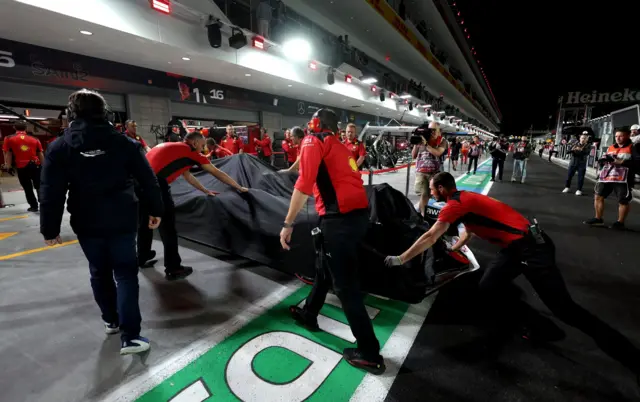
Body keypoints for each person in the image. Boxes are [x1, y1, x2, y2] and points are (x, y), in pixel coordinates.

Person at [385, 172, 640, 378]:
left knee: (565, 309)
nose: (430, 194)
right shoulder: (466, 198)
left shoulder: (454, 205)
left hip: (531, 249)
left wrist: (400, 259)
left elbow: (430, 236)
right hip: (516, 247)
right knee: (488, 285)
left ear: (441, 188)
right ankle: (525, 323)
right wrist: (452, 249)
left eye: (432, 189)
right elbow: (469, 232)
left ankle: (629, 357)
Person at [39, 89, 164, 355]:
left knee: (99, 270)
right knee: (126, 274)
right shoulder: (124, 143)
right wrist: (156, 208)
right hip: (122, 217)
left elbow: (51, 191)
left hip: (86, 220)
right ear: (103, 111)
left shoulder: (59, 147)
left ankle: (111, 320)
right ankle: (131, 336)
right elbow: (147, 179)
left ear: (71, 113)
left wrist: (49, 228)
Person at [280, 109, 385, 375]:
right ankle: (309, 313)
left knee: (345, 286)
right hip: (358, 217)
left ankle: (369, 352)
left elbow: (304, 183)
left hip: (338, 221)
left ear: (315, 124)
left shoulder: (314, 141)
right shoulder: (340, 146)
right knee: (323, 266)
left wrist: (288, 223)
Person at [139, 131, 249, 280]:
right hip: (156, 185)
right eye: (202, 145)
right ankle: (173, 268)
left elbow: (187, 175)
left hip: (138, 184)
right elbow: (216, 172)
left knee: (145, 223)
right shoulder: (190, 152)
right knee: (168, 228)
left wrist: (205, 190)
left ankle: (142, 256)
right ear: (195, 143)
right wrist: (238, 187)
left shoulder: (173, 148)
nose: (203, 149)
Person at [584, 127, 640, 230]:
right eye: (616, 136)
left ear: (627, 136)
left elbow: (638, 163)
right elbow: (602, 159)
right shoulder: (611, 147)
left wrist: (622, 162)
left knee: (623, 200)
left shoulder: (634, 148)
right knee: (598, 196)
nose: (618, 138)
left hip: (623, 179)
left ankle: (620, 222)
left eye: (621, 136)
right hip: (607, 177)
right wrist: (602, 161)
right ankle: (598, 219)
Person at [2, 122, 44, 212]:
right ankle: (44, 204)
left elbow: (8, 153)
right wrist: (44, 166)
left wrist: (8, 166)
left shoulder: (9, 138)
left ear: (14, 127)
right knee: (39, 186)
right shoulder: (35, 138)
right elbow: (40, 153)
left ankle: (34, 206)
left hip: (21, 166)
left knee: (27, 187)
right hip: (35, 165)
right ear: (26, 128)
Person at [412, 123, 447, 217]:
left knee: (438, 196)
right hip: (421, 172)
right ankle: (423, 217)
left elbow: (438, 153)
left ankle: (421, 214)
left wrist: (426, 144)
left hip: (435, 173)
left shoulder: (442, 141)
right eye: (430, 129)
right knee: (424, 195)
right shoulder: (422, 139)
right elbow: (413, 156)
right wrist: (416, 142)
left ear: (439, 131)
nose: (432, 132)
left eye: (434, 129)